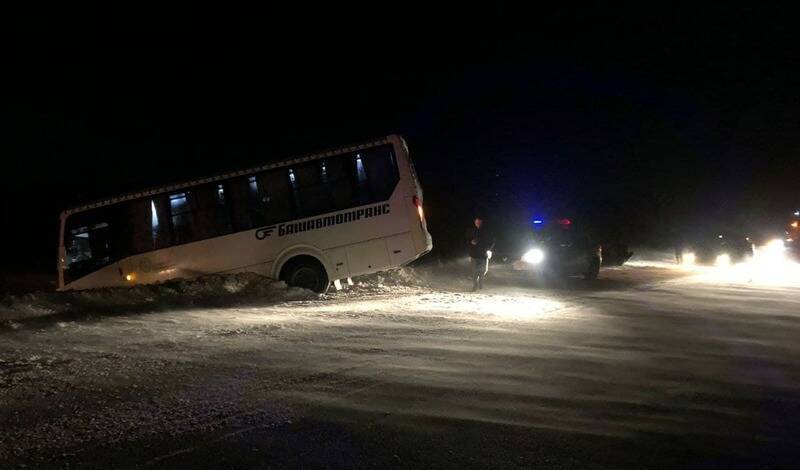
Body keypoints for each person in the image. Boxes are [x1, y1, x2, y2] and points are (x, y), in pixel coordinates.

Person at [468, 216, 495, 291]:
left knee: (483, 271)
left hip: (483, 254)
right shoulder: (472, 230)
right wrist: (471, 242)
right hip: (474, 254)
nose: (477, 224)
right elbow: (467, 240)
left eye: (479, 222)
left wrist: (489, 249)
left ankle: (480, 283)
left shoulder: (487, 231)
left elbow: (492, 241)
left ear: (482, 222)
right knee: (474, 271)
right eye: (476, 222)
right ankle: (475, 286)